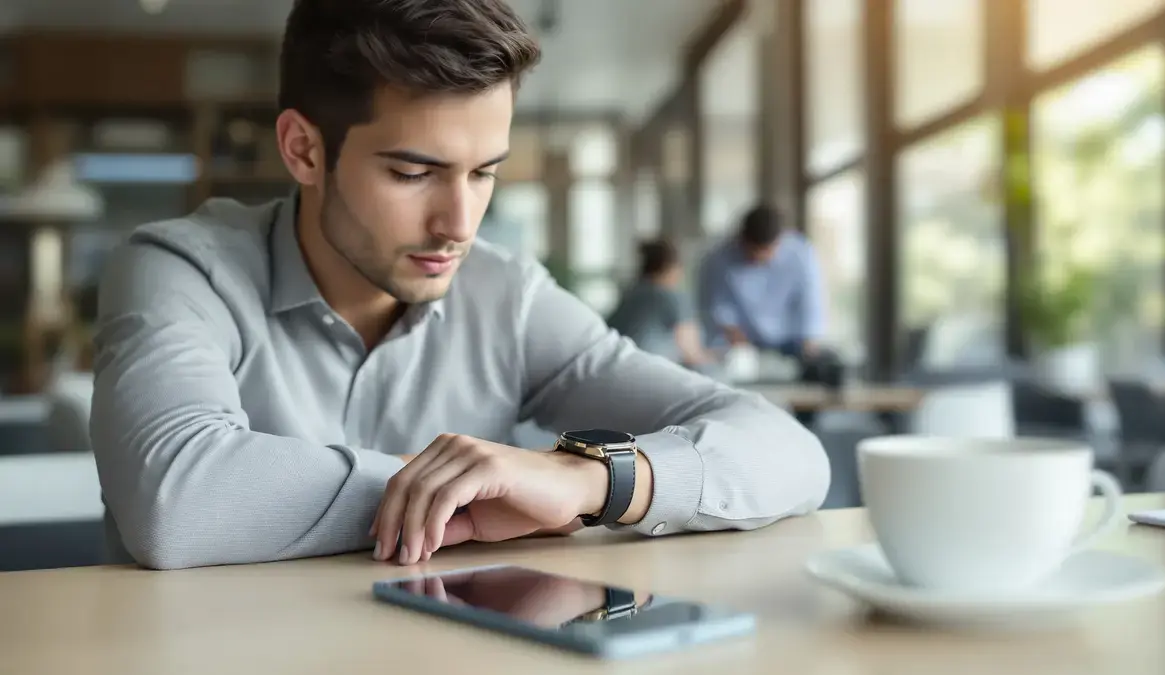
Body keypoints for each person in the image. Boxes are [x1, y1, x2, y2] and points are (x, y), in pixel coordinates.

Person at [89, 0, 830, 571]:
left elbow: (789, 453)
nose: (460, 223)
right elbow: (173, 500)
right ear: (304, 149)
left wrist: (585, 480)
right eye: (413, 173)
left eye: (484, 173)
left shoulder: (507, 295)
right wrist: (469, 492)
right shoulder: (180, 269)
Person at [699, 204, 829, 373]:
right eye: (754, 251)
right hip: (743, 343)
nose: (761, 256)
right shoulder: (718, 259)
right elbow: (720, 308)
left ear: (779, 240)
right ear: (742, 240)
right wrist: (740, 346)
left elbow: (810, 303)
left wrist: (809, 346)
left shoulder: (801, 253)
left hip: (791, 341)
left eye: (767, 250)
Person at [606, 239, 715, 369]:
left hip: (614, 366)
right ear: (672, 268)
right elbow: (692, 353)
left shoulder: (631, 292)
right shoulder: (673, 298)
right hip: (647, 370)